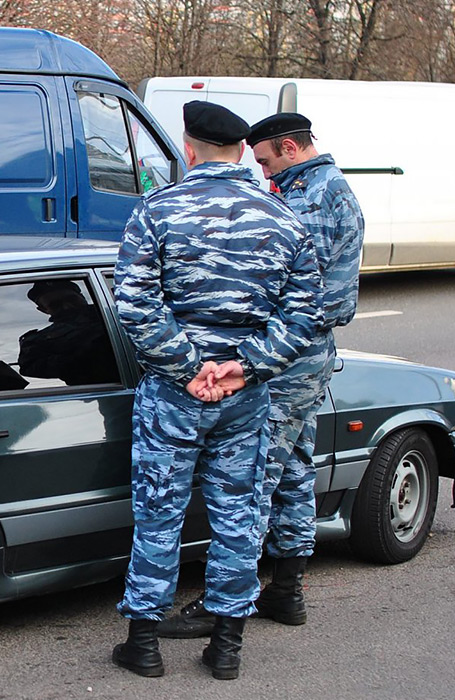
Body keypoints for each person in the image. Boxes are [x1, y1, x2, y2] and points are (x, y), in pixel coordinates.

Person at [111, 101, 322, 681]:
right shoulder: (284, 219)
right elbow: (305, 316)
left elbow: (133, 304)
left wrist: (186, 368)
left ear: (189, 148)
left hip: (174, 395)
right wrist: (243, 368)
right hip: (243, 397)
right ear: (241, 152)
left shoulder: (158, 211)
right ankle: (226, 646)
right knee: (240, 515)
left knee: (159, 512)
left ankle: (145, 645)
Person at [158, 112, 365, 639]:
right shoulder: (320, 188)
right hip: (305, 354)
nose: (262, 169)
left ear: (291, 147)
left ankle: (226, 602)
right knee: (293, 468)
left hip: (287, 356)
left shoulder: (311, 199)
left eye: (267, 158)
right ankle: (287, 589)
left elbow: (295, 294)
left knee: (250, 482)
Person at [17, 280, 119, 387]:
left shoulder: (115, 315)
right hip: (102, 390)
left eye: (72, 300)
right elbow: (29, 367)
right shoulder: (38, 340)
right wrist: (82, 356)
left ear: (82, 296)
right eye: (55, 305)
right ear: (43, 310)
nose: (67, 307)